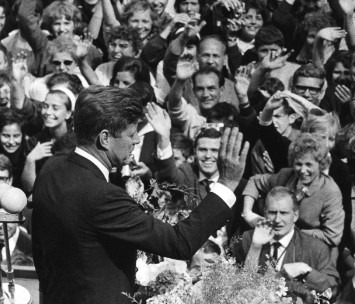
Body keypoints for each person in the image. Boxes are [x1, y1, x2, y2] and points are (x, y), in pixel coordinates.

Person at [31, 86, 249, 302]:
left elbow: (40, 249)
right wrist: (227, 183)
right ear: (105, 138)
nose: (136, 141)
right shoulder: (104, 196)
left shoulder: (51, 168)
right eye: (132, 134)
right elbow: (179, 243)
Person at [236, 187, 339, 298]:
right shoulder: (248, 239)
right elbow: (236, 286)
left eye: (284, 213)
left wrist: (306, 271)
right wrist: (255, 247)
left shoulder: (315, 247)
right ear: (264, 212)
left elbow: (333, 290)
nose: (277, 219)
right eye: (272, 212)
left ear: (295, 215)